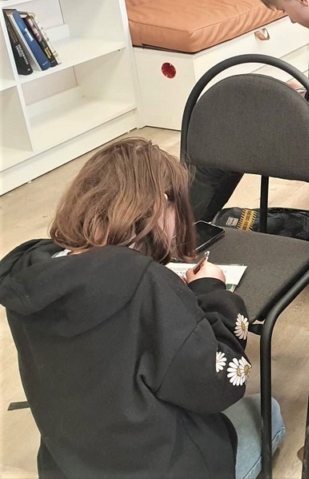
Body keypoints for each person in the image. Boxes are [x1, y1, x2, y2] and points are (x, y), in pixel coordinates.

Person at [0, 138, 283, 479]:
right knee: (268, 411)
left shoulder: (30, 275)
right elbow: (225, 381)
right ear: (161, 204)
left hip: (69, 465)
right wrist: (211, 291)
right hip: (159, 467)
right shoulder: (144, 287)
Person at [190, 0, 309, 223]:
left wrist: (294, 99)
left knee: (226, 139)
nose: (292, 20)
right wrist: (304, 92)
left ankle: (182, 224)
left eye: (285, 10)